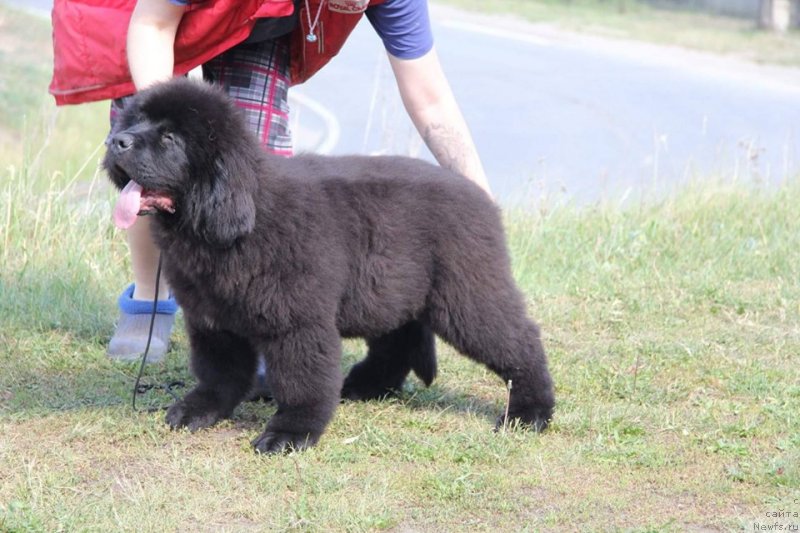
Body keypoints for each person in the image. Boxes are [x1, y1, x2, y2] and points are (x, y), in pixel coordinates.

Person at [50, 0, 492, 362]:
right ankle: (149, 300)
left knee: (257, 175)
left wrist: (481, 205)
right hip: (152, 20)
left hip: (258, 22)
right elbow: (154, 23)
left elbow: (431, 100)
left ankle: (257, 322)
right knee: (149, 166)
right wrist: (160, 131)